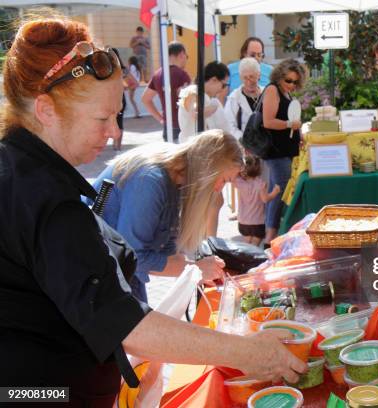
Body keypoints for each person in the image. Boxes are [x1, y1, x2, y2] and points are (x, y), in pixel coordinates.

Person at [0, 14, 306, 406]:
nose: (113, 133)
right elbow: (124, 323)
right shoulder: (43, 197)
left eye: (116, 116)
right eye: (102, 118)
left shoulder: (24, 173)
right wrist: (249, 353)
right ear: (45, 110)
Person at [92, 131, 241, 303]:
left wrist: (195, 265)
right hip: (102, 272)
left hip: (120, 270)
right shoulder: (150, 180)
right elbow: (135, 257)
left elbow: (165, 243)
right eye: (223, 180)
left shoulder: (177, 173)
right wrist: (195, 269)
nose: (218, 189)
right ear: (209, 167)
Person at [261, 59, 305, 245]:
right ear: (279, 77)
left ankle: (271, 236)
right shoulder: (272, 89)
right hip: (276, 151)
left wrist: (299, 134)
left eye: (295, 82)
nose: (291, 85)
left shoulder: (286, 93)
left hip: (285, 150)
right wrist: (289, 124)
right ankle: (270, 238)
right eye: (288, 80)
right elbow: (268, 121)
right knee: (280, 191)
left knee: (277, 191)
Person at [142, 41, 190, 143]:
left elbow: (145, 99)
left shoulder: (158, 74)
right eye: (186, 56)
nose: (186, 60)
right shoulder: (182, 75)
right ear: (181, 54)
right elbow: (189, 102)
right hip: (182, 126)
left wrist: (160, 119)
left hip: (167, 126)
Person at [178, 62, 232, 143]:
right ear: (214, 80)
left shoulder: (214, 100)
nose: (222, 89)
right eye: (223, 85)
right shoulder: (192, 91)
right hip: (193, 148)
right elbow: (196, 112)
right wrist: (213, 107)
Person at [233, 155, 280, 245]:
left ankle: (244, 258)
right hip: (257, 222)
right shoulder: (260, 184)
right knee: (254, 248)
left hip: (243, 221)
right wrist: (275, 192)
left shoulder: (239, 182)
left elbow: (234, 176)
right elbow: (265, 199)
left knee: (247, 245)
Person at [224, 57, 262, 141]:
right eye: (245, 78)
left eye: (251, 77)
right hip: (243, 147)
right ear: (240, 77)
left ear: (259, 75)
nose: (248, 81)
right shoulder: (234, 98)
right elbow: (229, 126)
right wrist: (244, 140)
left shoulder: (266, 94)